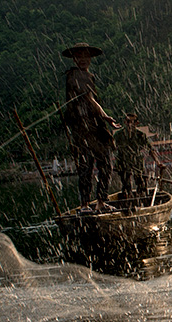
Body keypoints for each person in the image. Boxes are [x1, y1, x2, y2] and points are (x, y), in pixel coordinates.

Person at [61, 42, 120, 214]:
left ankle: (91, 203)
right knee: (102, 164)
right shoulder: (78, 76)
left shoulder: (76, 75)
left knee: (88, 165)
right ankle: (95, 203)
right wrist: (105, 116)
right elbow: (90, 99)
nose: (83, 59)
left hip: (84, 129)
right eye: (79, 56)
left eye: (86, 56)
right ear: (74, 58)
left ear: (90, 58)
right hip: (88, 128)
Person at [113, 113, 164, 198]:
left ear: (136, 123)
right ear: (125, 122)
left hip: (137, 162)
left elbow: (150, 149)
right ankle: (128, 200)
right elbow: (111, 148)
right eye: (128, 122)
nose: (129, 125)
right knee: (126, 185)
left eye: (132, 122)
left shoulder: (140, 135)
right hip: (123, 162)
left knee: (141, 184)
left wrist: (158, 163)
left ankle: (142, 199)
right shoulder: (118, 135)